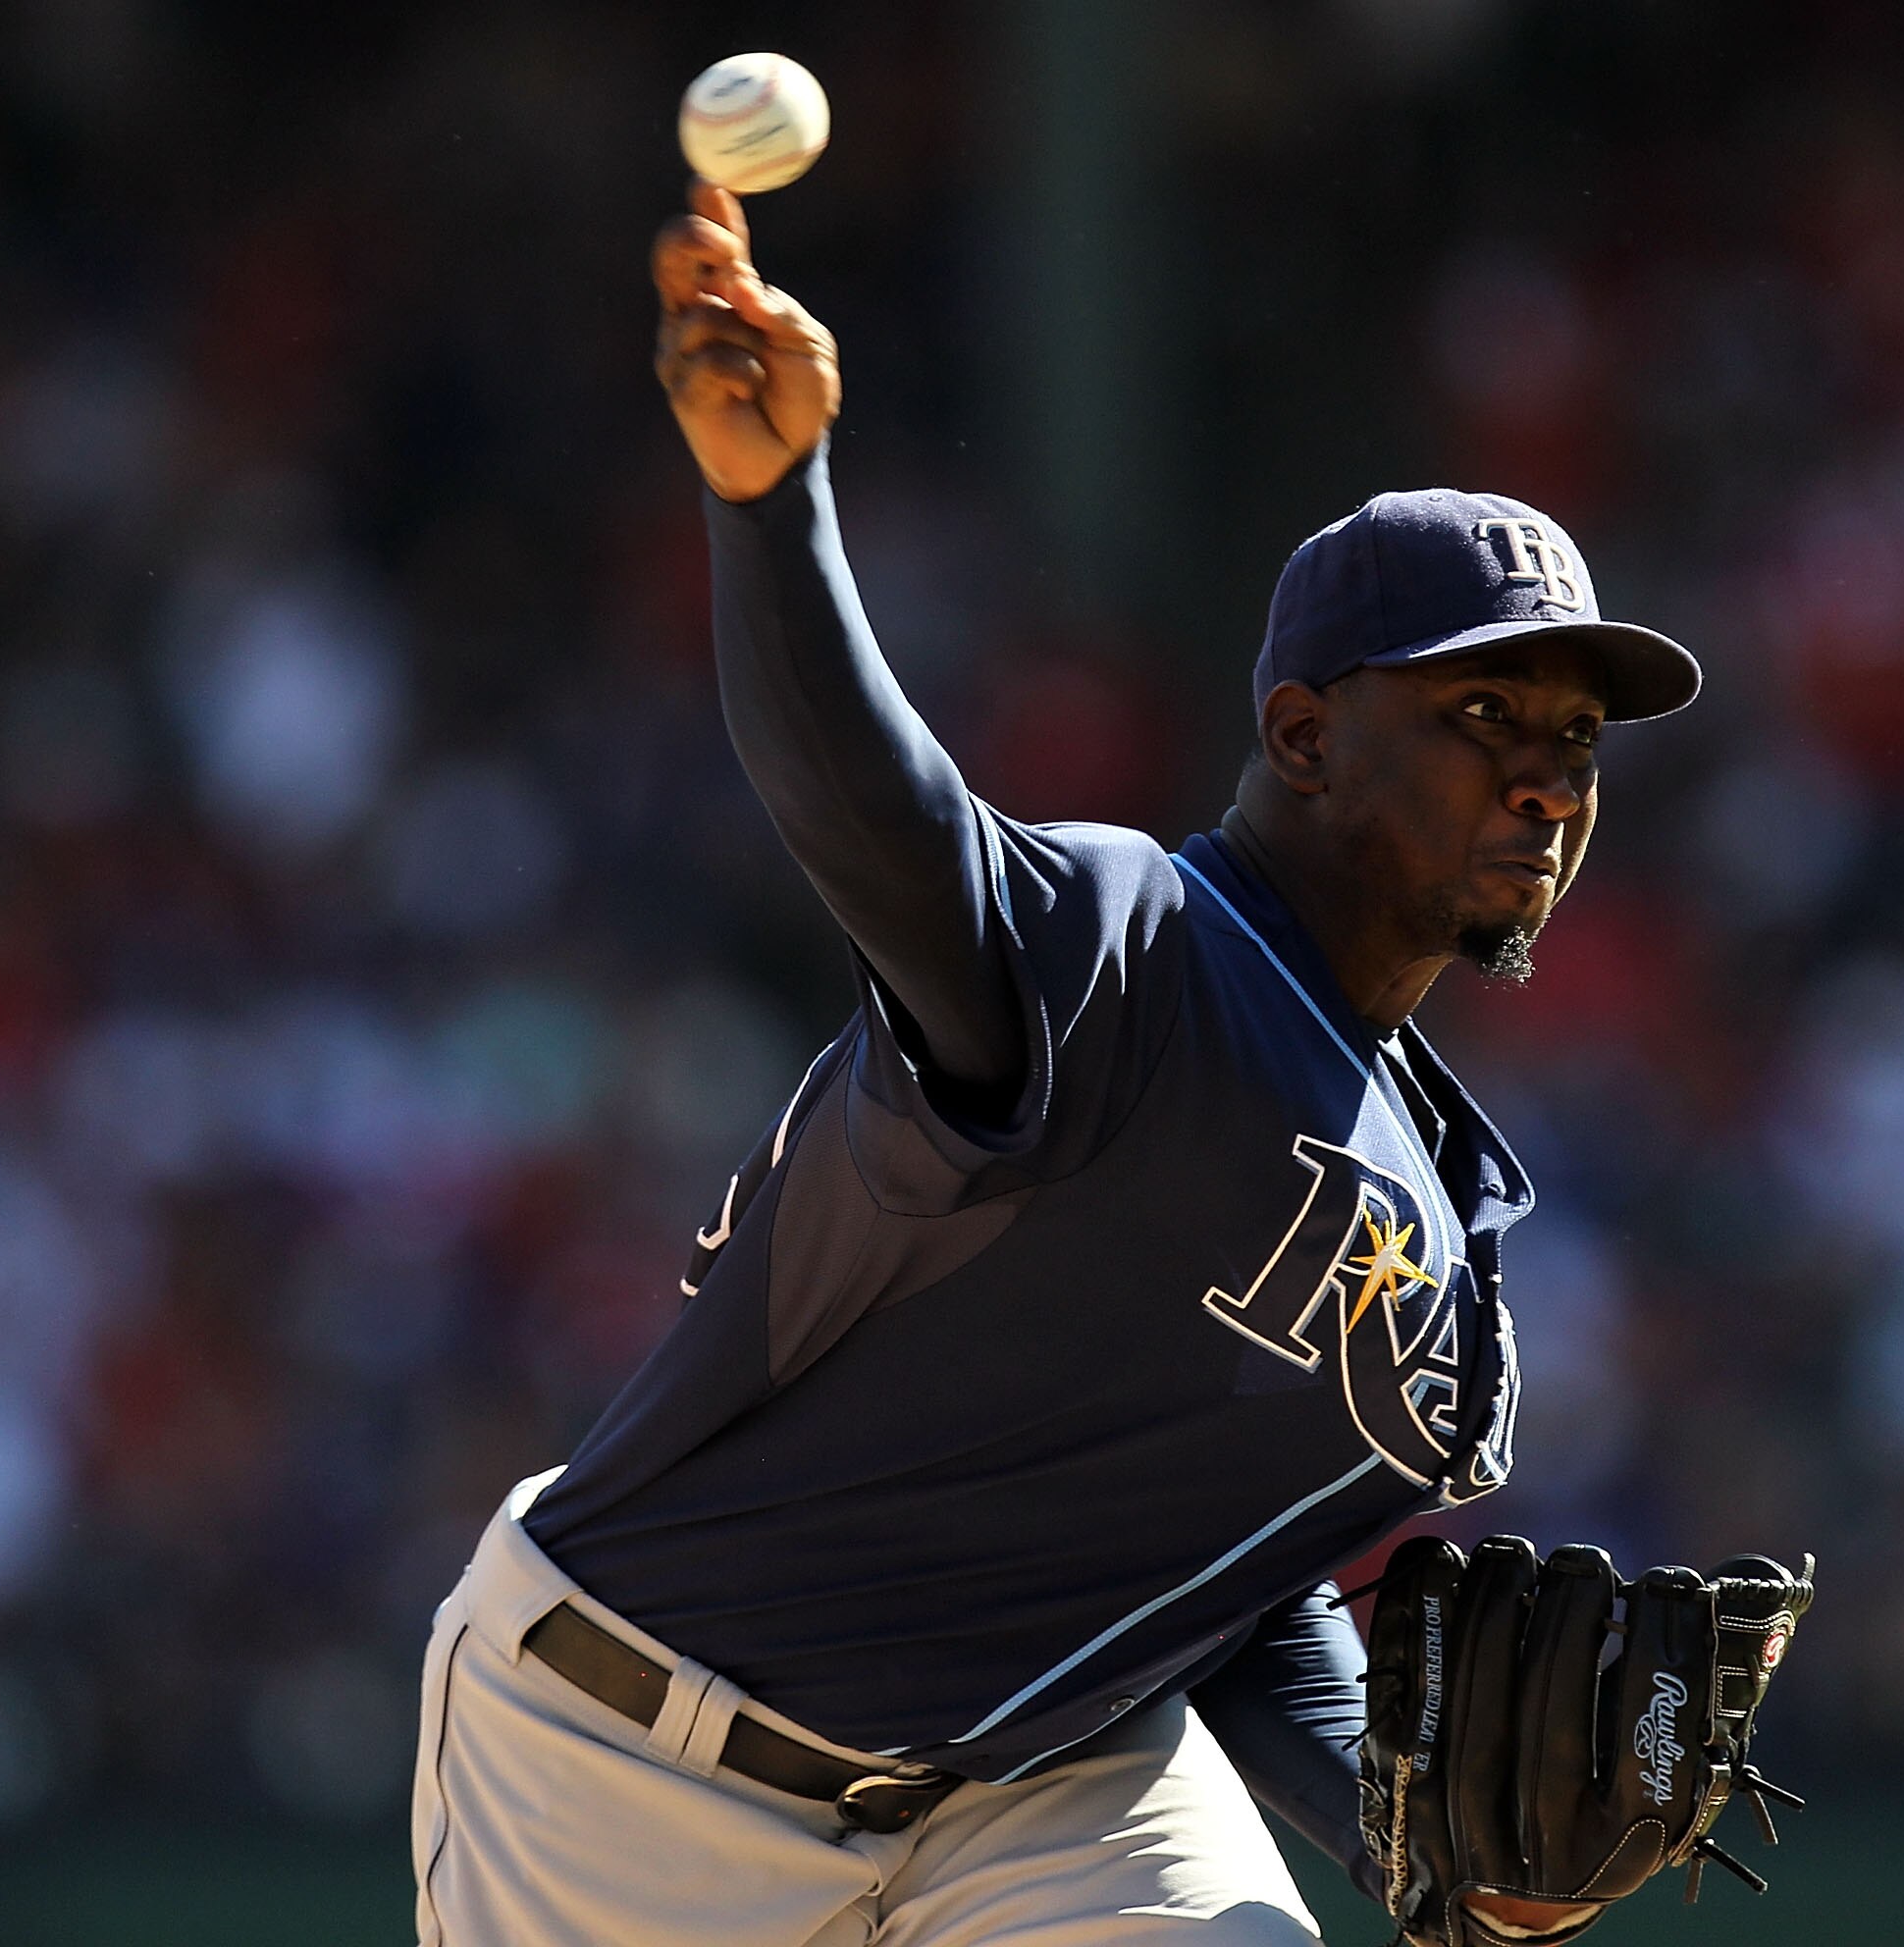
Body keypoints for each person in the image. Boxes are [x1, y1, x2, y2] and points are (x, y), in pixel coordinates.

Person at [408, 182, 1703, 1947]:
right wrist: (774, 508)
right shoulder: (1130, 946)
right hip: (635, 1764)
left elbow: (1230, 1595)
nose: (1546, 777)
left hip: (1044, 1783)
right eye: (1483, 716)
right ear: (1305, 738)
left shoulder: (1445, 1237)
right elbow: (871, 819)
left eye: (1573, 736)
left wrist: (1428, 1850)